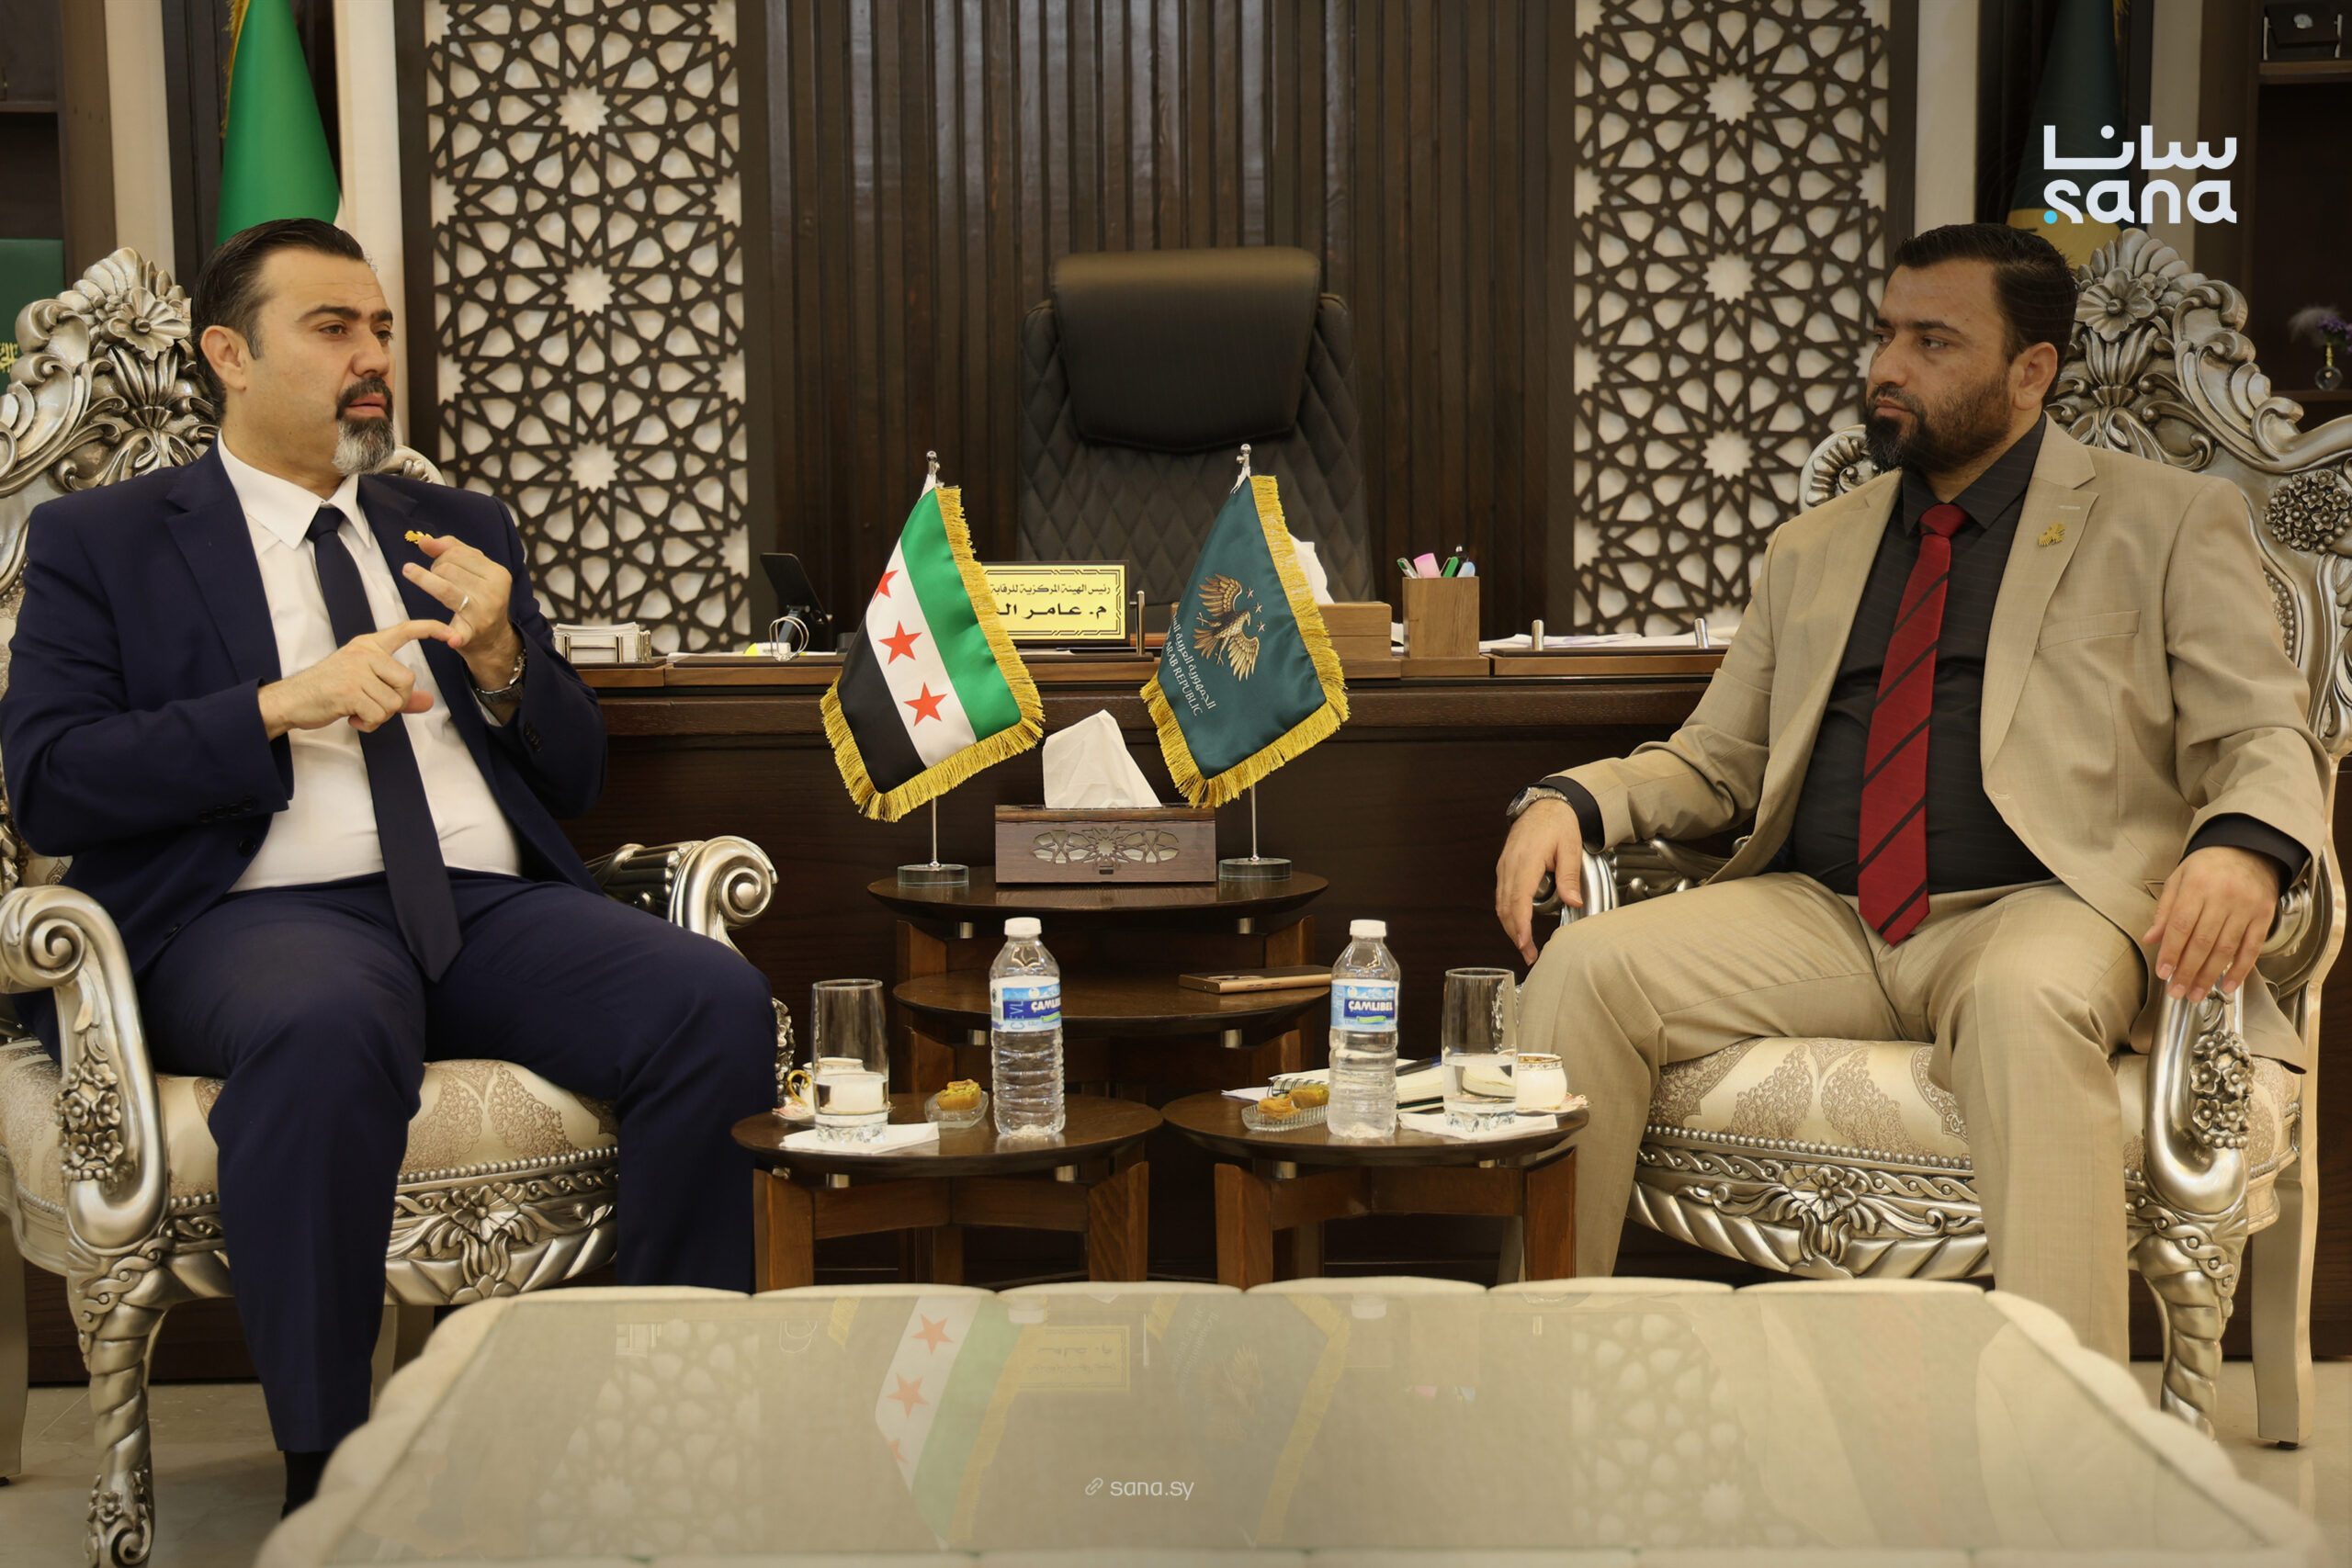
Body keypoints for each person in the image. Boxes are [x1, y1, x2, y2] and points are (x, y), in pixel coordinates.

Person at [0, 220, 775, 1510]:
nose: (372, 357)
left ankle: (664, 1425)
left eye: (380, 329)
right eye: (332, 328)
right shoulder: (109, 538)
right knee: (327, 1021)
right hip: (251, 914)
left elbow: (578, 777)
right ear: (229, 355)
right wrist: (276, 705)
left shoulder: (454, 525)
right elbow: (55, 776)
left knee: (711, 999)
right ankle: (331, 1476)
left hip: (480, 908)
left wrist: (507, 663)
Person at [1492, 222, 2326, 1362]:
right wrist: (1571, 802)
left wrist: (2240, 847)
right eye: (1886, 334)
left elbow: (2262, 729)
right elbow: (1716, 759)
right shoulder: (1813, 547)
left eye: (1932, 342)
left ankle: (2059, 1428)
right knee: (1585, 969)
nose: (1888, 367)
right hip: (1822, 913)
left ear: (2030, 372)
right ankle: (1537, 1370)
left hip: (2039, 908)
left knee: (2026, 1000)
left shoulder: (2166, 521)